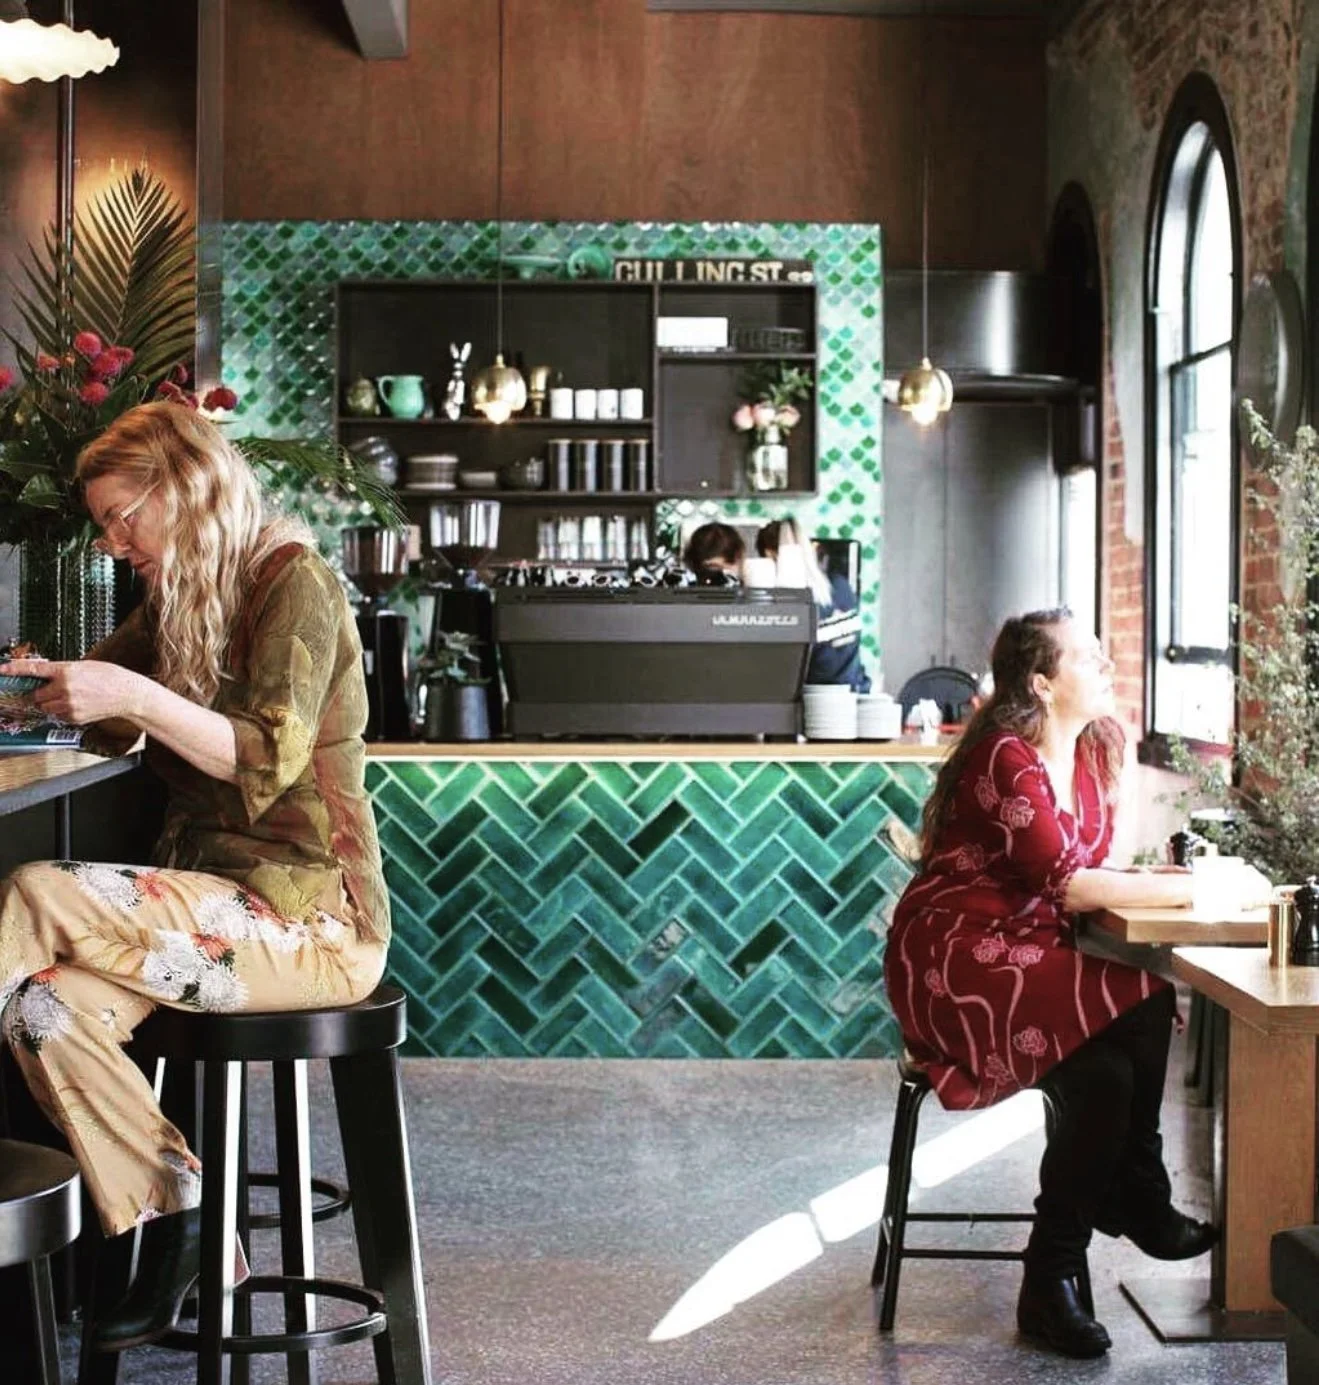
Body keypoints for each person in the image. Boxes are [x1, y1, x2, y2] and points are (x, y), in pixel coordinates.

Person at [0, 401, 389, 1352]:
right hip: (204, 915)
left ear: (187, 488)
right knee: (40, 1007)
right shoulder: (182, 593)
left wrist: (133, 695)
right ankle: (187, 1222)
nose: (111, 541)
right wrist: (34, 685)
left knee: (34, 888)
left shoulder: (292, 581)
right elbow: (96, 699)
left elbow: (266, 756)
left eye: (121, 516)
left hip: (310, 923)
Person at [883, 608, 1215, 1360]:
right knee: (1147, 999)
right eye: (1087, 656)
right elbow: (1072, 883)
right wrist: (1193, 888)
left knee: (1107, 1072)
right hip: (956, 959)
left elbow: (1091, 870)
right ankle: (1135, 1196)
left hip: (1029, 957)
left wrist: (1160, 880)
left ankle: (1054, 1272)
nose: (1106, 665)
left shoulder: (1095, 752)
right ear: (1040, 682)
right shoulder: (1004, 756)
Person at [755, 517, 871, 691]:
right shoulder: (841, 585)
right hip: (857, 691)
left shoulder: (792, 605)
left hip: (819, 699)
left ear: (770, 554)